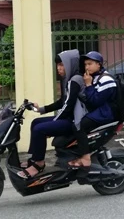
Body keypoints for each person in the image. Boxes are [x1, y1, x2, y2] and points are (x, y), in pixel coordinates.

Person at [17, 49, 87, 179]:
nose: (59, 68)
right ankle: (35, 158)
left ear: (70, 64)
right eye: (58, 65)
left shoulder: (75, 80)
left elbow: (68, 106)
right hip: (67, 117)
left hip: (73, 121)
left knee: (39, 129)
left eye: (62, 65)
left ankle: (39, 163)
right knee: (35, 122)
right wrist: (42, 109)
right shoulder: (67, 79)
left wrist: (55, 121)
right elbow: (62, 102)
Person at [69, 51, 117, 167]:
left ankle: (85, 157)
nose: (87, 67)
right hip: (99, 111)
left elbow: (95, 101)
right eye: (85, 64)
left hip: (105, 113)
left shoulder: (106, 79)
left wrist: (88, 85)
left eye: (90, 64)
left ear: (99, 64)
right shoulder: (95, 77)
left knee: (79, 126)